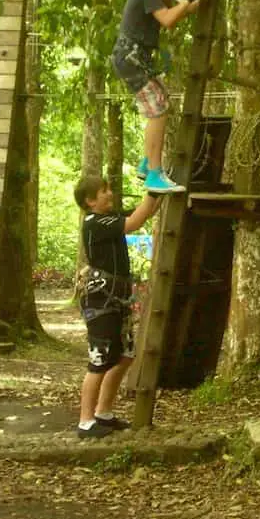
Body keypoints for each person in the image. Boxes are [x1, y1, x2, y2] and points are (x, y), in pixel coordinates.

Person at [73, 176, 162, 439]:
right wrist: (155, 187)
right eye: (103, 191)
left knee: (124, 355)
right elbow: (135, 222)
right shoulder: (95, 223)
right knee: (100, 359)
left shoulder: (109, 219)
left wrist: (158, 194)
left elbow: (144, 212)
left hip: (117, 298)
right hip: (100, 299)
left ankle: (104, 413)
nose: (109, 194)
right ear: (90, 201)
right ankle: (85, 421)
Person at [111, 0, 209, 194]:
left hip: (134, 58)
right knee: (158, 109)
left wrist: (195, 5)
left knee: (160, 101)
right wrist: (186, 2)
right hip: (131, 57)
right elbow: (168, 20)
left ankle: (147, 163)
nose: (170, 1)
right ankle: (155, 172)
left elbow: (172, 16)